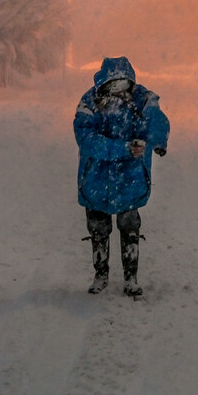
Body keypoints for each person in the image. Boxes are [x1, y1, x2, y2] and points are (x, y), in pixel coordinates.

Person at [74, 56, 170, 297]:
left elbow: (156, 119)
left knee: (129, 225)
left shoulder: (142, 99)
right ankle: (101, 274)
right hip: (98, 176)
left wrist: (157, 140)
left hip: (127, 176)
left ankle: (130, 277)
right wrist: (124, 148)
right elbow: (86, 139)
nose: (118, 91)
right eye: (113, 85)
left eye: (122, 85)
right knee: (99, 226)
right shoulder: (90, 102)